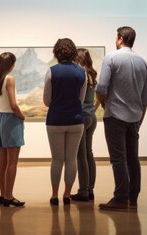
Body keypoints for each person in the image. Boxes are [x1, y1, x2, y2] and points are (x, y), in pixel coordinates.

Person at [96, 26, 147, 211]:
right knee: (133, 158)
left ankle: (120, 198)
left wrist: (105, 105)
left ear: (120, 38)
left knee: (118, 159)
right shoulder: (143, 63)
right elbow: (145, 100)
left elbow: (101, 88)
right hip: (134, 118)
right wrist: (138, 120)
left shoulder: (112, 57)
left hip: (115, 115)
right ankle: (132, 198)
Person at [44, 38, 87, 206]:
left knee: (57, 159)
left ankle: (54, 195)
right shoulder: (81, 72)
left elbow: (47, 101)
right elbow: (81, 100)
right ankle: (67, 195)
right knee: (71, 159)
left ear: (56, 52)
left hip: (55, 120)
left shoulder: (51, 71)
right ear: (73, 52)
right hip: (76, 120)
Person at [0, 52, 26, 207]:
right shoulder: (10, 79)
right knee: (12, 162)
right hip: (11, 121)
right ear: (11, 65)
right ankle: (9, 196)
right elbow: (13, 104)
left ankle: (3, 194)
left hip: (0, 120)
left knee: (3, 161)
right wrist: (22, 116)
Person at [70, 48, 99, 202]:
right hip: (91, 117)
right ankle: (90, 189)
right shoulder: (92, 75)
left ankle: (83, 192)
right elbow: (100, 96)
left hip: (82, 117)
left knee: (81, 156)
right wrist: (92, 109)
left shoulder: (80, 75)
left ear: (79, 59)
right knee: (89, 154)